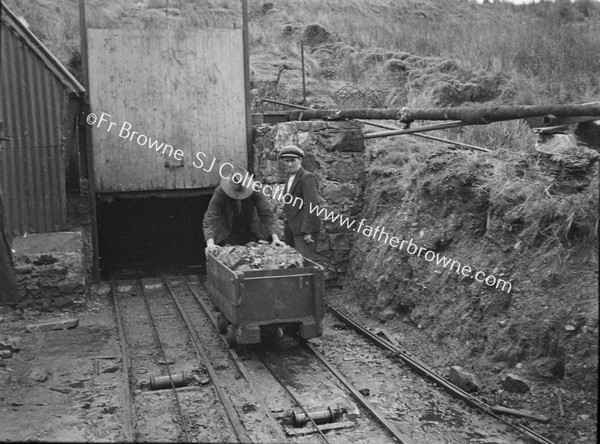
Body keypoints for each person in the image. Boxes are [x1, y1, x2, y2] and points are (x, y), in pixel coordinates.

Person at [203, 166, 285, 253]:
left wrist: (275, 238)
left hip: (249, 226)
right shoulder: (220, 192)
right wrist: (210, 242)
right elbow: (211, 217)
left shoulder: (254, 188)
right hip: (228, 229)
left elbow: (266, 213)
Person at [279, 145, 321, 259]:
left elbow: (312, 206)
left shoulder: (307, 177)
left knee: (305, 264)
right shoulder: (290, 178)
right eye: (286, 161)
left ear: (300, 160)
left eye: (293, 160)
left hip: (304, 232)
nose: (289, 164)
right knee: (293, 265)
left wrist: (308, 231)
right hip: (292, 230)